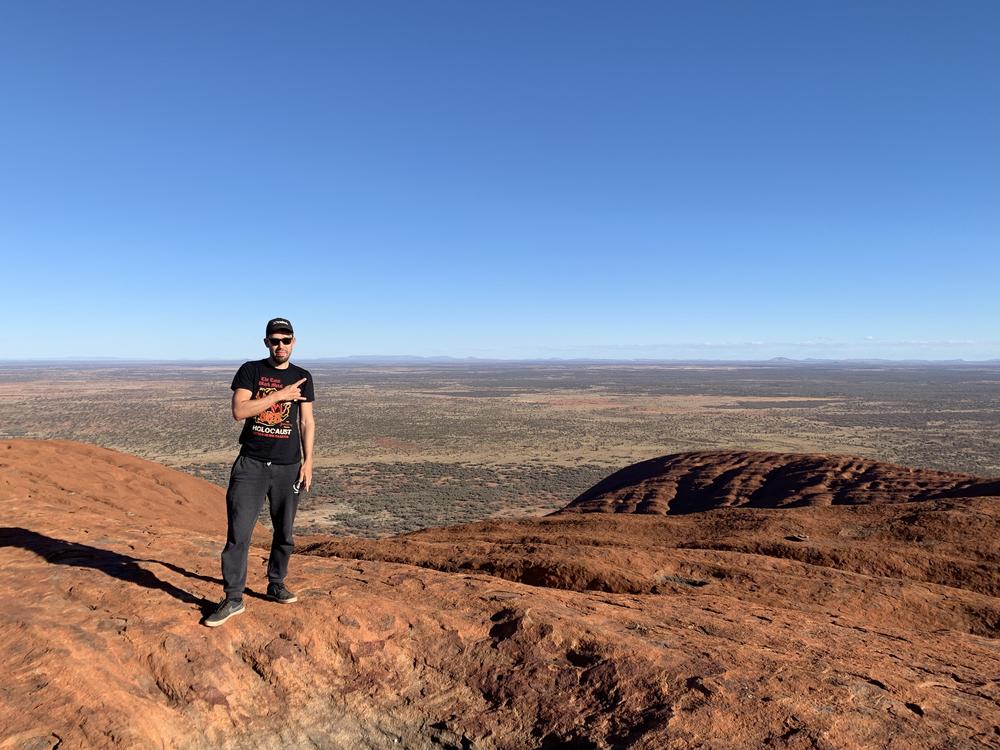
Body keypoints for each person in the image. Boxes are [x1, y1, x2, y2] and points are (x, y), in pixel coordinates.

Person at [204, 317, 316, 627]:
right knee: (239, 534)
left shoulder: (303, 377)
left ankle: (276, 583)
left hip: (288, 465)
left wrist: (308, 461)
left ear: (294, 342)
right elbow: (239, 411)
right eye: (275, 340)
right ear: (266, 342)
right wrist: (279, 396)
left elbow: (306, 421)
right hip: (251, 464)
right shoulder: (251, 371)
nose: (281, 345)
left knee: (285, 532)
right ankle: (233, 598)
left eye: (286, 340)